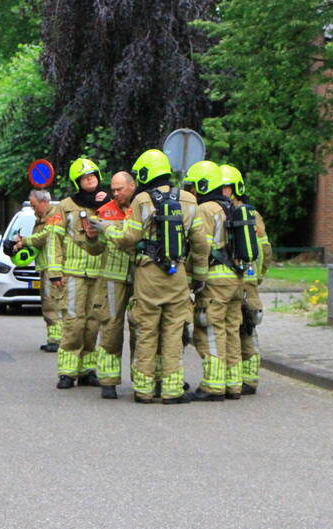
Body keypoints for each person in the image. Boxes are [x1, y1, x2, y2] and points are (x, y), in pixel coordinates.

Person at [101, 149, 208, 404]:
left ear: (146, 173)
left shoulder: (141, 201)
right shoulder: (188, 200)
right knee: (173, 333)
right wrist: (198, 278)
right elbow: (201, 244)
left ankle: (144, 390)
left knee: (147, 332)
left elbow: (130, 238)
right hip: (177, 275)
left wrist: (108, 231)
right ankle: (171, 391)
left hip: (148, 275)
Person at [47, 158, 110, 389]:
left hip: (100, 273)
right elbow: (54, 239)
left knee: (93, 324)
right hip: (72, 274)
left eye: (93, 175)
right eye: (85, 177)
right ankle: (67, 371)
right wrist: (55, 272)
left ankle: (86, 369)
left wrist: (109, 203)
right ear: (77, 182)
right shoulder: (64, 206)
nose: (90, 179)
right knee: (74, 323)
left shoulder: (106, 202)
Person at [185, 160, 244, 402]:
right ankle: (233, 383)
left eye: (194, 187)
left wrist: (193, 279)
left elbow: (201, 248)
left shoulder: (206, 210)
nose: (192, 192)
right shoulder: (232, 207)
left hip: (215, 280)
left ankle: (213, 385)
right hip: (236, 279)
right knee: (232, 330)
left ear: (202, 184)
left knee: (210, 329)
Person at [220, 164, 272, 395]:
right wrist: (256, 276)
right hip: (245, 278)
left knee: (244, 328)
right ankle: (245, 378)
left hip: (240, 278)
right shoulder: (250, 214)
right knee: (242, 328)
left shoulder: (233, 214)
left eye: (226, 188)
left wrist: (255, 278)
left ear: (235, 189)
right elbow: (265, 251)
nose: (223, 191)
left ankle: (247, 378)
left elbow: (264, 250)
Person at [91, 171, 136, 399]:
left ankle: (143, 380)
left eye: (120, 189)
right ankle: (108, 380)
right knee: (110, 327)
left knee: (141, 328)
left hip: (140, 277)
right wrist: (91, 236)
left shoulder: (141, 207)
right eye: (113, 189)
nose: (116, 193)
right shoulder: (105, 210)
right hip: (113, 278)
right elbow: (96, 248)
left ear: (132, 186)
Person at [15, 190, 64, 352]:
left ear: (44, 202)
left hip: (53, 268)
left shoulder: (54, 217)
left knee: (52, 304)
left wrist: (25, 241)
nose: (34, 209)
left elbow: (44, 237)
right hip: (45, 268)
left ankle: (57, 341)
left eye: (35, 206)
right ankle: (52, 338)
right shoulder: (41, 218)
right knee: (47, 304)